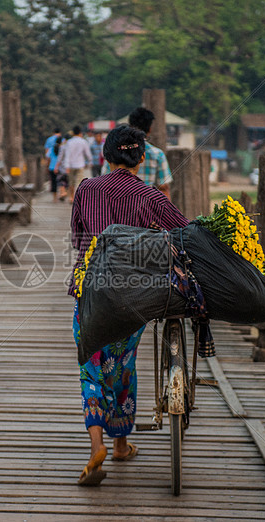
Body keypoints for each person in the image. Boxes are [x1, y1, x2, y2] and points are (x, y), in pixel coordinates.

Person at [70, 124, 189, 486]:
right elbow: (183, 232)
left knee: (92, 367)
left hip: (92, 290)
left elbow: (78, 237)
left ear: (105, 156)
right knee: (123, 367)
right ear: (141, 158)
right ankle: (121, 443)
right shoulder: (152, 196)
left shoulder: (87, 189)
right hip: (133, 296)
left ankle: (96, 447)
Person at [101, 107, 172, 199]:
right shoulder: (157, 154)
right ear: (150, 128)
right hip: (146, 204)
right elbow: (163, 187)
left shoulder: (115, 150)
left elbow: (105, 178)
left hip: (116, 201)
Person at [61, 126, 92, 199]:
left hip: (71, 165)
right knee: (79, 182)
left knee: (71, 182)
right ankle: (76, 197)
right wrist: (90, 162)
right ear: (80, 133)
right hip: (80, 165)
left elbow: (67, 155)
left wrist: (67, 166)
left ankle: (71, 197)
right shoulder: (83, 141)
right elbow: (88, 154)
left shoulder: (69, 142)